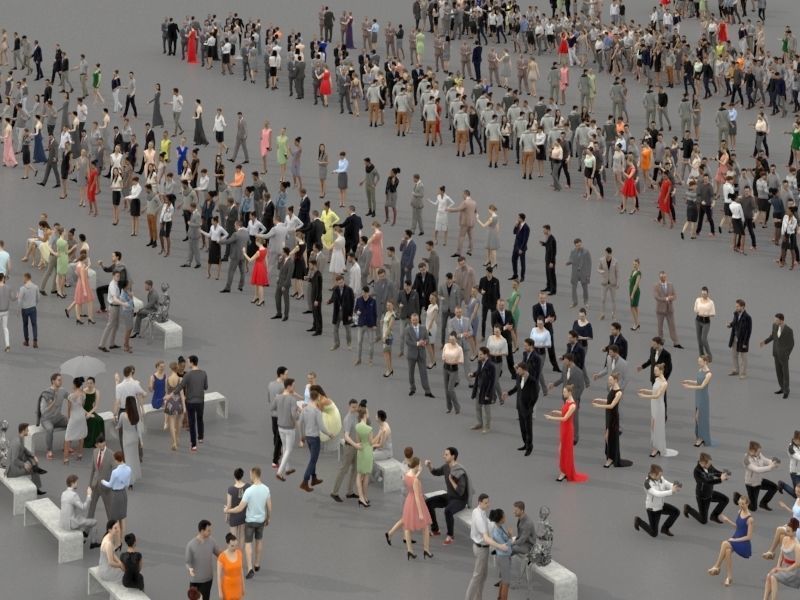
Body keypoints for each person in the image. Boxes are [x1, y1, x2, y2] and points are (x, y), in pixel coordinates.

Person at [223, 466, 271, 579]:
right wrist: (268, 517)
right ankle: (255, 563)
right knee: (250, 541)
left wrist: (227, 513)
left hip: (242, 518)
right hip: (252, 518)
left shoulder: (234, 489)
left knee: (239, 541)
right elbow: (268, 505)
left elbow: (234, 506)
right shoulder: (253, 487)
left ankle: (242, 564)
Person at [465, 494, 509, 600]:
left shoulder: (478, 511)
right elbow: (486, 538)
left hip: (480, 548)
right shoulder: (479, 517)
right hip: (481, 549)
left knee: (483, 576)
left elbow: (488, 523)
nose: (488, 504)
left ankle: (478, 598)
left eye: (488, 502)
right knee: (477, 577)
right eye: (486, 503)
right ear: (479, 502)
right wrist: (500, 546)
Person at [424, 447, 470, 545]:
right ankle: (435, 529)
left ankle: (450, 535)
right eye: (444, 454)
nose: (443, 456)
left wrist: (452, 480)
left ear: (453, 456)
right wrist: (429, 466)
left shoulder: (459, 471)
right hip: (450, 496)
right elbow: (435, 472)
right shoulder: (446, 467)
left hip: (460, 500)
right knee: (428, 502)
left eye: (446, 454)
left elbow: (461, 492)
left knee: (448, 511)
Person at [707, 493, 753, 587]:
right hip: (735, 538)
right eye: (739, 503)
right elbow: (738, 527)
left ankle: (717, 566)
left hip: (743, 544)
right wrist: (728, 521)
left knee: (725, 543)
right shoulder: (739, 511)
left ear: (747, 504)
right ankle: (729, 577)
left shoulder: (750, 519)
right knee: (727, 551)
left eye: (743, 504)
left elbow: (749, 537)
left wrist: (733, 540)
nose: (740, 505)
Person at [544, 385, 589, 482]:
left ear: (569, 392)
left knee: (565, 450)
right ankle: (564, 470)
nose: (563, 393)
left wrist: (551, 418)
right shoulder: (567, 401)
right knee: (561, 450)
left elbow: (565, 418)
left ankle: (564, 472)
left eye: (564, 392)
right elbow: (564, 413)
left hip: (568, 430)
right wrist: (557, 412)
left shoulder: (573, 405)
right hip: (563, 428)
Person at [393, 456, 432, 559]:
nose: (420, 466)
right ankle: (426, 549)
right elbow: (417, 497)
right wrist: (420, 513)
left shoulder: (407, 475)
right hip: (416, 502)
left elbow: (413, 479)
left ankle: (410, 550)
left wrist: (419, 473)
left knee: (407, 526)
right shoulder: (415, 480)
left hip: (408, 502)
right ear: (416, 465)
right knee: (426, 526)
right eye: (419, 464)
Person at [591, 373, 632, 468]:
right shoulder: (611, 389)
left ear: (615, 380)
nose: (609, 381)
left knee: (609, 437)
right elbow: (608, 401)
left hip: (613, 418)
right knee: (607, 437)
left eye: (610, 380)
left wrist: (598, 406)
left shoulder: (619, 393)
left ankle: (610, 458)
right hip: (608, 416)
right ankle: (610, 456)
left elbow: (611, 405)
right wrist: (599, 400)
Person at [637, 364, 678, 457]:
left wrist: (644, 396)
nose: (654, 372)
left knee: (656, 426)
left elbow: (657, 395)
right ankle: (655, 446)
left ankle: (656, 448)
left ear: (661, 371)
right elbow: (654, 392)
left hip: (659, 406)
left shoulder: (664, 383)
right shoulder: (657, 379)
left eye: (656, 371)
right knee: (652, 426)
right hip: (654, 405)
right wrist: (646, 391)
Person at [297, 390, 333, 493]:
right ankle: (305, 481)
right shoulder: (317, 411)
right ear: (317, 398)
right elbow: (321, 427)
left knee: (312, 458)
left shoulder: (304, 409)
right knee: (313, 460)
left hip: (308, 437)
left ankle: (314, 478)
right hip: (315, 438)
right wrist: (329, 434)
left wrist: (301, 436)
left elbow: (300, 423)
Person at [634, 464, 681, 537]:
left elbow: (668, 484)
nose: (660, 477)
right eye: (659, 475)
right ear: (653, 474)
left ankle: (665, 529)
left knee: (676, 512)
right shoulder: (647, 484)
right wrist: (671, 491)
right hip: (652, 509)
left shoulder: (660, 478)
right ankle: (639, 521)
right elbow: (657, 494)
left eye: (661, 475)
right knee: (654, 533)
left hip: (660, 505)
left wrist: (675, 486)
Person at [172, 355, 208, 452]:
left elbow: (180, 386)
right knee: (200, 419)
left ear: (192, 363)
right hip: (200, 401)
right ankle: (200, 437)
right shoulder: (204, 373)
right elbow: (206, 387)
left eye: (188, 362)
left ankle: (194, 445)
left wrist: (171, 394)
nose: (187, 364)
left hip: (190, 402)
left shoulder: (188, 375)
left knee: (192, 423)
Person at [684, 452, 731, 525]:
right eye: (708, 464)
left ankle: (714, 516)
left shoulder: (709, 466)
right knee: (703, 521)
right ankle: (688, 509)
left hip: (710, 493)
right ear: (702, 463)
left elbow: (715, 472)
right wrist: (720, 479)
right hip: (702, 497)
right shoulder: (697, 471)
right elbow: (707, 482)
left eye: (710, 464)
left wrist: (723, 475)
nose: (710, 465)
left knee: (725, 500)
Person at [734, 441, 780, 512]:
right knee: (753, 508)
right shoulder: (746, 460)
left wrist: (773, 462)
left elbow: (766, 461)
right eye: (758, 451)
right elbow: (757, 469)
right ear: (752, 451)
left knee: (774, 487)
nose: (759, 453)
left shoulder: (759, 454)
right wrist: (770, 467)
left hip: (759, 480)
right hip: (751, 484)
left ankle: (763, 503)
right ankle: (738, 497)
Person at [762, 518, 800, 599]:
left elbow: (797, 564)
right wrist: (777, 567)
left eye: (788, 531)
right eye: (786, 530)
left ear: (794, 532)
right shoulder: (785, 539)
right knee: (769, 575)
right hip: (784, 566)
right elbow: (781, 555)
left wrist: (783, 570)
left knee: (773, 577)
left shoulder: (797, 545)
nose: (786, 532)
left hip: (793, 572)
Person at [330, 399, 359, 502]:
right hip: (350, 448)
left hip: (356, 448)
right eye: (353, 407)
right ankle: (334, 492)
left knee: (355, 469)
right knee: (343, 470)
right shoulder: (348, 419)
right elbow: (346, 436)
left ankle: (350, 492)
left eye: (356, 407)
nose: (355, 409)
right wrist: (355, 444)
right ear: (349, 407)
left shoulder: (356, 416)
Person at [682, 355, 714, 447]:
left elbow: (702, 386)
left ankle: (701, 438)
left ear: (705, 362)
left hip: (703, 397)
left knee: (699, 417)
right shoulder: (700, 370)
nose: (698, 363)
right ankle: (700, 436)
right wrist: (689, 381)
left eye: (700, 361)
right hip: (698, 395)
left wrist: (689, 387)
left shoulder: (709, 374)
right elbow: (697, 382)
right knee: (697, 417)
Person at [761, 313, 795, 399]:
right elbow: (773, 336)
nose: (774, 321)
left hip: (784, 356)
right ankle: (782, 388)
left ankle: (786, 391)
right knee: (778, 372)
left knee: (785, 373)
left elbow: (791, 344)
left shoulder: (789, 330)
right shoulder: (774, 326)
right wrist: (765, 342)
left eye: (776, 320)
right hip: (776, 353)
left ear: (781, 320)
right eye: (775, 320)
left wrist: (786, 354)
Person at [185, 520, 221, 600]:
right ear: (202, 531)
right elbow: (187, 562)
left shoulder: (212, 541)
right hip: (195, 580)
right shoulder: (191, 545)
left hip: (207, 580)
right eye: (208, 530)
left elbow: (219, 554)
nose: (210, 532)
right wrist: (190, 569)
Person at [6, 423, 46, 494]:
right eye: (27, 430)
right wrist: (24, 464)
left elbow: (24, 449)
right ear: (23, 431)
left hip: (17, 462)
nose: (28, 432)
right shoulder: (17, 443)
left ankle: (36, 468)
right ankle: (37, 489)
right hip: (12, 470)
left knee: (31, 459)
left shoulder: (19, 438)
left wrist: (33, 455)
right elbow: (14, 460)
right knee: (33, 471)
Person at [60, 474, 99, 546]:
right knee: (94, 522)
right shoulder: (74, 495)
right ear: (72, 483)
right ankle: (94, 543)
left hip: (63, 522)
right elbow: (84, 507)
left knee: (81, 518)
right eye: (76, 482)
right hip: (70, 524)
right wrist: (89, 495)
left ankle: (82, 538)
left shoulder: (63, 493)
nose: (77, 484)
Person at [38, 373, 68, 459]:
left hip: (58, 418)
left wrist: (79, 391)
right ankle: (49, 450)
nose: (61, 381)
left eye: (61, 380)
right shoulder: (46, 393)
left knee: (70, 424)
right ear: (53, 381)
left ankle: (66, 445)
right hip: (46, 419)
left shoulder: (63, 391)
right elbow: (43, 411)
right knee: (50, 429)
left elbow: (70, 397)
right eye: (59, 380)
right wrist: (53, 403)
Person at [101, 451, 131, 538]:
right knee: (123, 518)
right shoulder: (129, 469)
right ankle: (121, 541)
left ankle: (117, 541)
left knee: (116, 519)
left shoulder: (115, 472)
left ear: (117, 460)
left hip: (116, 495)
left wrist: (103, 481)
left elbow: (110, 484)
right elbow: (127, 484)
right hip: (123, 494)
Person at [488, 507, 513, 600]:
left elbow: (506, 539)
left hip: (505, 557)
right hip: (503, 558)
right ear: (500, 518)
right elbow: (505, 546)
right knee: (506, 582)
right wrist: (511, 540)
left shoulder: (501, 526)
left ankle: (499, 598)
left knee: (503, 580)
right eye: (504, 516)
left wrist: (509, 535)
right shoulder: (496, 532)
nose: (505, 517)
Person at [116, 396, 141, 485]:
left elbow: (118, 426)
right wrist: (141, 441)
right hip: (134, 438)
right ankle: (135, 476)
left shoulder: (123, 415)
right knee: (134, 458)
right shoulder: (136, 415)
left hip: (126, 439)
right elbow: (138, 429)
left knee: (128, 459)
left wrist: (114, 420)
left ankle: (129, 480)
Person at [64, 377, 88, 462]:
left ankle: (66, 459)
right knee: (81, 436)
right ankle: (80, 454)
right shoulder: (83, 395)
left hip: (74, 417)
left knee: (67, 438)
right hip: (81, 416)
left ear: (74, 384)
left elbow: (69, 409)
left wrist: (68, 418)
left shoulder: (70, 396)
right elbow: (82, 406)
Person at [354, 406, 374, 507]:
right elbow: (371, 442)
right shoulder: (369, 429)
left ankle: (361, 497)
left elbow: (357, 441)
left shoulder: (357, 426)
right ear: (365, 414)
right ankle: (364, 497)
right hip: (367, 452)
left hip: (360, 451)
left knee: (359, 474)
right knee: (366, 475)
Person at [217, 533, 244, 600]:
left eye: (236, 545)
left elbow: (241, 571)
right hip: (227, 587)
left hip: (238, 585)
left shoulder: (239, 553)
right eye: (232, 546)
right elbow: (219, 576)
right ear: (227, 544)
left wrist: (243, 587)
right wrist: (220, 592)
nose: (234, 548)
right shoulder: (222, 557)